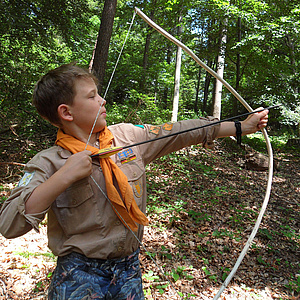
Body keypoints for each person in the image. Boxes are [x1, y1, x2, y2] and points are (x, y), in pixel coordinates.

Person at [0, 64, 269, 300]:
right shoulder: (48, 162)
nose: (103, 100)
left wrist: (242, 126)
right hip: (78, 276)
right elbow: (9, 224)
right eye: (92, 96)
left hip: (129, 271)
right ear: (66, 112)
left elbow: (181, 132)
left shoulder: (127, 136)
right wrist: (64, 176)